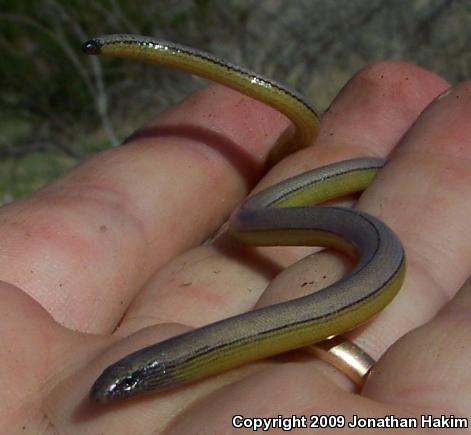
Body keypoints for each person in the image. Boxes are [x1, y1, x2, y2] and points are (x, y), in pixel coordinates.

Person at [1, 60, 470, 434]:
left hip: (349, 251)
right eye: (126, 383)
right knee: (255, 217)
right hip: (295, 236)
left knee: (263, 215)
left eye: (130, 382)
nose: (112, 394)